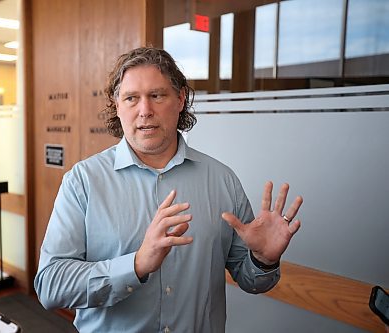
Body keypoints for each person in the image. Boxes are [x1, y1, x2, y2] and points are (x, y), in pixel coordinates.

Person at [34, 47, 304, 332]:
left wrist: (263, 261)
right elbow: (52, 286)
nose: (145, 110)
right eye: (131, 98)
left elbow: (251, 280)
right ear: (117, 105)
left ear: (180, 99)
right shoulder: (83, 181)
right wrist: (136, 265)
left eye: (157, 95)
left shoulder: (223, 180)